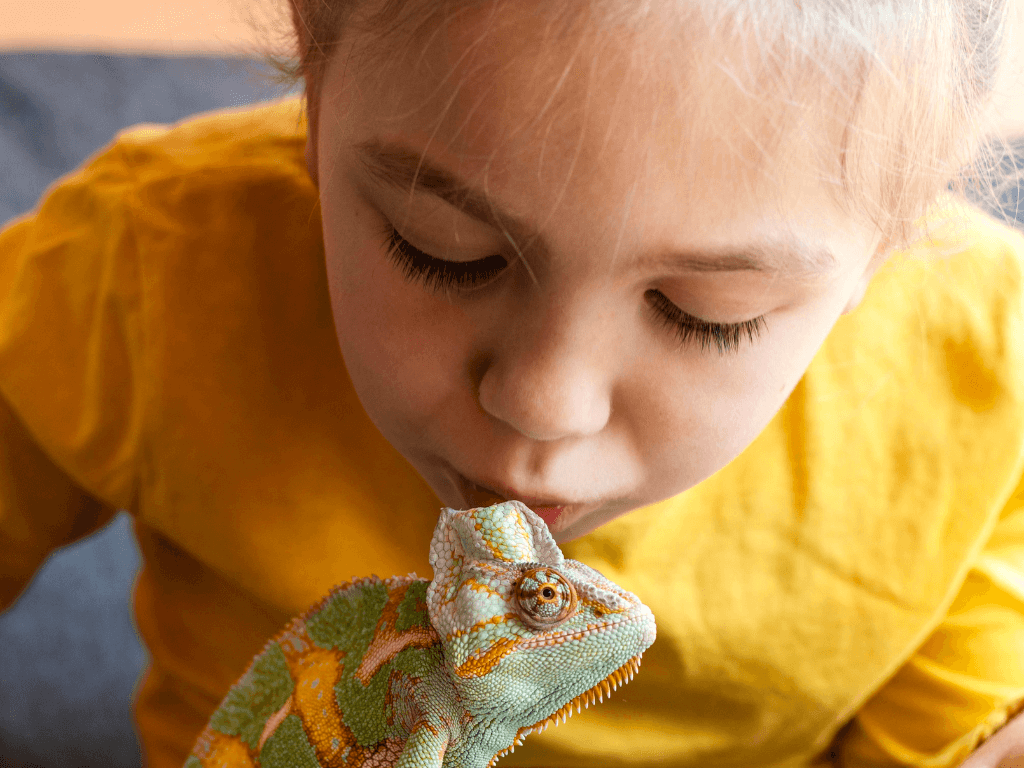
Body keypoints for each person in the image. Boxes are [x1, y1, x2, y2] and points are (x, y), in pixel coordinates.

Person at [2, 0, 1024, 765]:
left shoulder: (989, 387)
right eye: (441, 250)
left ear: (889, 247)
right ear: (315, 95)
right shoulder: (140, 266)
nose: (544, 405)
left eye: (705, 313)